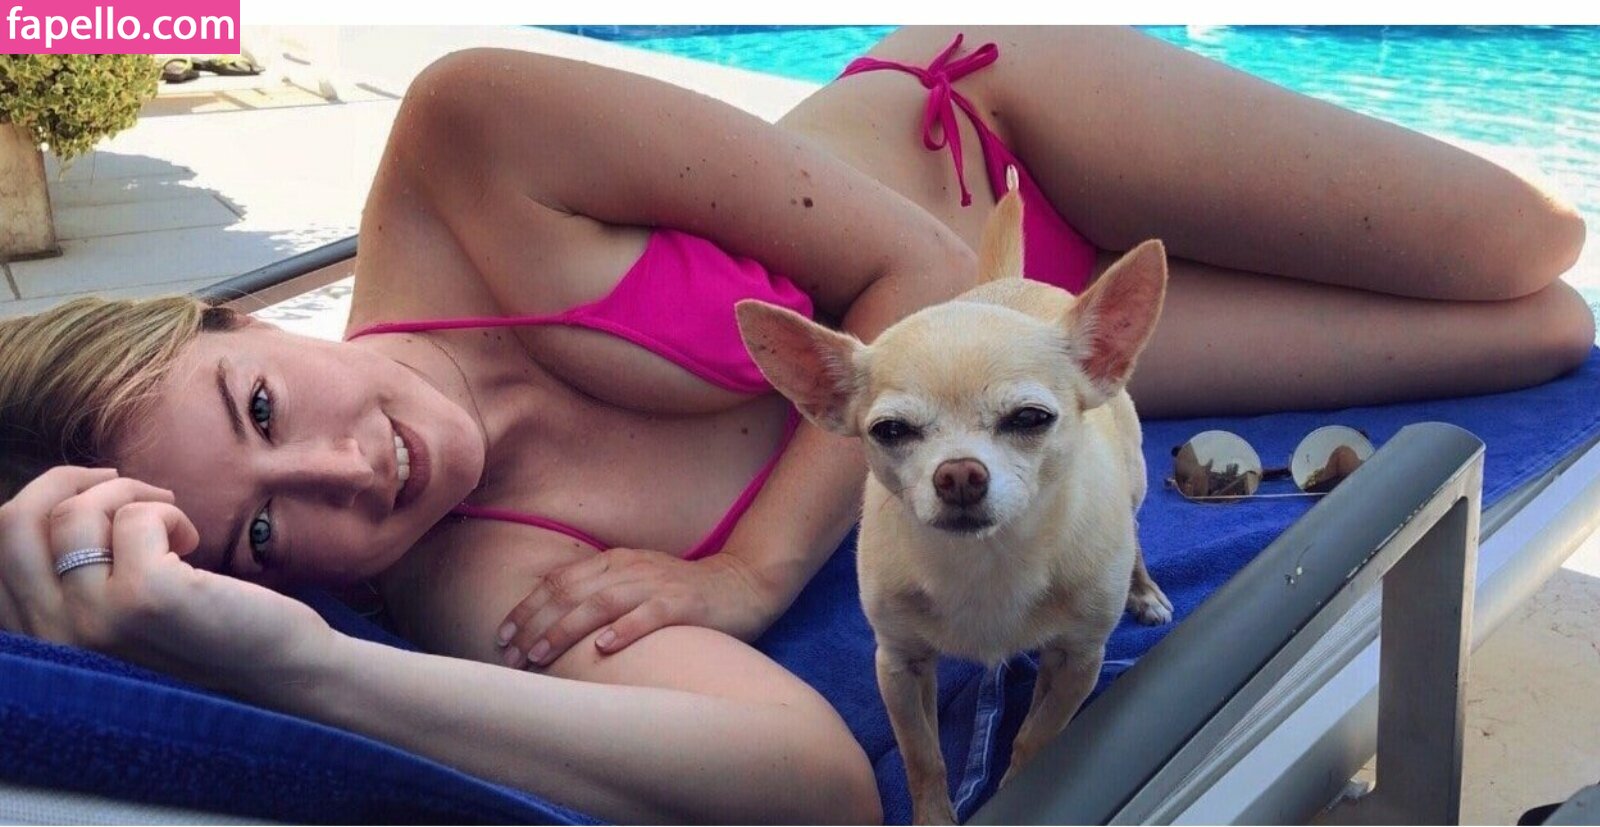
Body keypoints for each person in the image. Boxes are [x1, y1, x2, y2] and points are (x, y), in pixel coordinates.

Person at [0, 26, 1591, 823]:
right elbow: (811, 785)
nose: (351, 467)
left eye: (262, 405)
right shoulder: (472, 587)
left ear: (235, 322)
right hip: (1049, 360)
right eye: (268, 527)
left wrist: (750, 573)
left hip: (999, 146)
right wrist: (297, 664)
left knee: (1528, 245)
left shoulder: (467, 147)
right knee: (1547, 338)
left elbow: (917, 271)